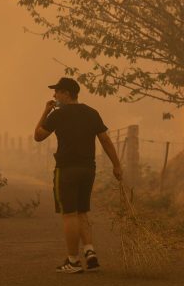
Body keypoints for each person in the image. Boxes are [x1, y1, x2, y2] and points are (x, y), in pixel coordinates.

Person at [34, 77, 123, 274]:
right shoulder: (92, 113)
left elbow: (38, 135)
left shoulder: (58, 114)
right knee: (82, 211)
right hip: (88, 169)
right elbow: (105, 139)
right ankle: (90, 253)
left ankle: (73, 261)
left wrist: (45, 111)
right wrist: (116, 165)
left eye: (56, 91)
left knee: (69, 214)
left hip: (66, 169)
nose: (54, 95)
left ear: (66, 93)